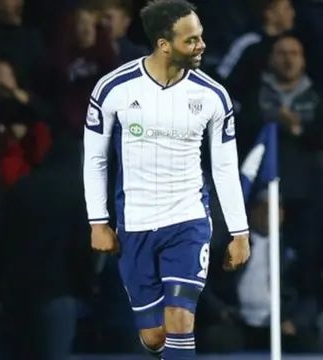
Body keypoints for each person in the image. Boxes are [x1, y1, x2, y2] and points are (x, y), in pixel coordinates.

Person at [82, 1, 251, 359]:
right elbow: (95, 158)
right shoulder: (114, 89)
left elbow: (224, 167)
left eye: (201, 36)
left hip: (188, 221)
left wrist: (240, 231)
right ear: (163, 44)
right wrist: (98, 221)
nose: (202, 45)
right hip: (136, 223)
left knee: (179, 318)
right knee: (155, 336)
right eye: (191, 40)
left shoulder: (212, 95)